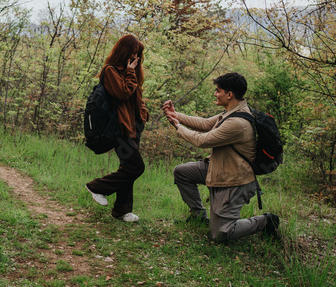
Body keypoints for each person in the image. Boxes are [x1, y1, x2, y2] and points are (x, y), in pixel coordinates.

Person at [162, 72, 280, 242]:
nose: (215, 94)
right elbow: (205, 124)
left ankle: (265, 221)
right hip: (218, 168)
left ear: (230, 94)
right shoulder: (231, 112)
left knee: (221, 234)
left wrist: (178, 127)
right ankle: (198, 215)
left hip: (234, 179)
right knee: (182, 172)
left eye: (218, 91)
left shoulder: (237, 123)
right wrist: (176, 115)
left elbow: (202, 140)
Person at [85, 34, 149, 222]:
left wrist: (143, 116)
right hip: (119, 128)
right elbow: (122, 93)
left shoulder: (133, 72)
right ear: (124, 52)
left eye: (138, 56)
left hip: (133, 127)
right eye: (133, 54)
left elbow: (137, 98)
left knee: (127, 167)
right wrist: (130, 72)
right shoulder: (110, 71)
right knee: (136, 167)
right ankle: (96, 187)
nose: (135, 59)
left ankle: (122, 210)